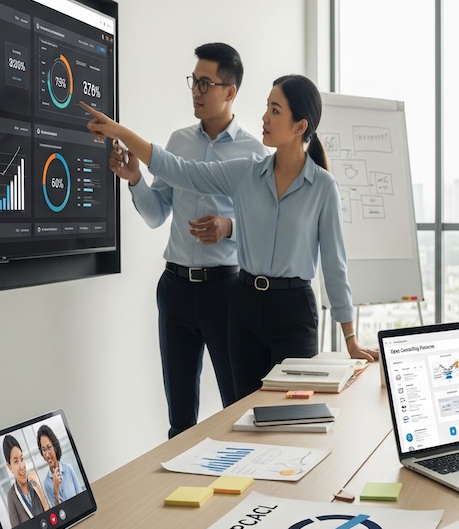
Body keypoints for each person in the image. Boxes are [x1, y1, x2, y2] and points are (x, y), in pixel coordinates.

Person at [83, 74, 378, 398]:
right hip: (244, 306)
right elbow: (179, 169)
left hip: (293, 311)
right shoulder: (246, 173)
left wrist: (349, 337)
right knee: (245, 413)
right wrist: (120, 131)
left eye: (275, 110)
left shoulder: (323, 187)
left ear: (299, 126)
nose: (264, 117)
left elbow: (335, 265)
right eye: (267, 107)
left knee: (291, 415)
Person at [113, 43, 268, 438]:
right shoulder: (177, 143)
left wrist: (228, 227)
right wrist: (135, 179)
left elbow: (268, 226)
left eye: (205, 83)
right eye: (193, 82)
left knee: (240, 407)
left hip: (226, 291)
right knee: (180, 422)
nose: (196, 91)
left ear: (230, 91)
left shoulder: (253, 153)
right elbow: (155, 214)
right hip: (175, 289)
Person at [2, 434, 44, 527]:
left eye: (22, 459)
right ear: (9, 467)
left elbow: (50, 513)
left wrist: (39, 489)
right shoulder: (11, 496)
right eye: (16, 461)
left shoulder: (34, 483)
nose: (22, 466)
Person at [36, 425, 83, 507]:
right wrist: (55, 491)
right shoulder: (47, 484)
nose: (47, 454)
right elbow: (59, 514)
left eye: (49, 447)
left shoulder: (68, 469)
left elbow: (81, 498)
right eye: (44, 450)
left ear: (55, 447)